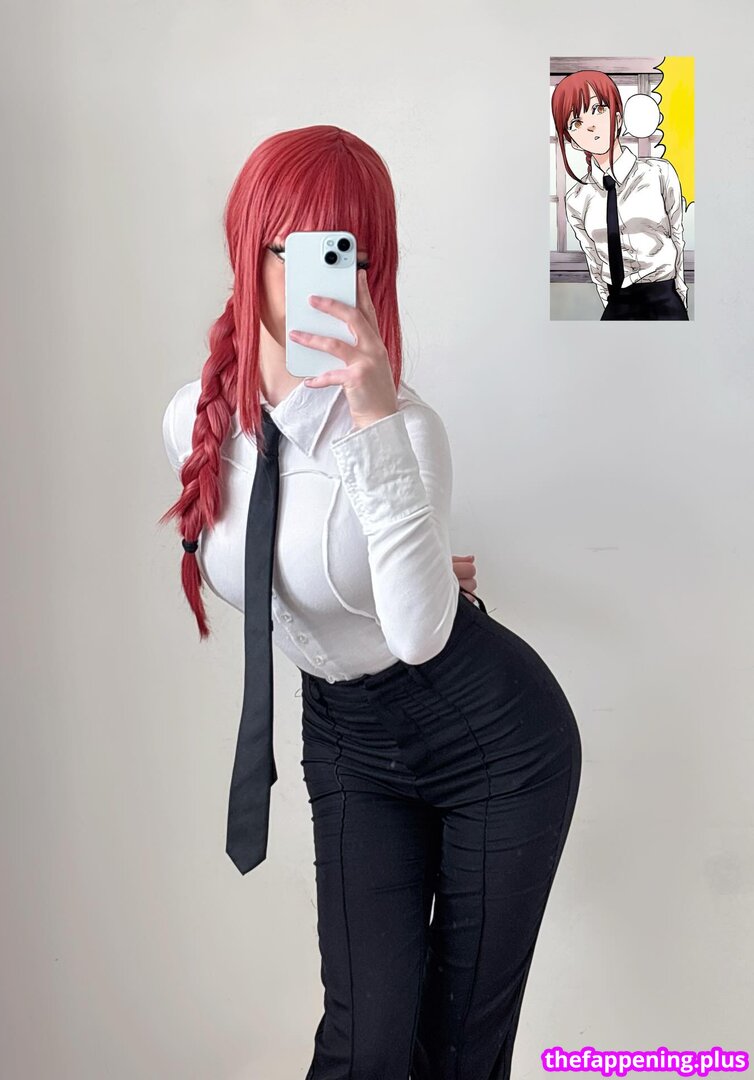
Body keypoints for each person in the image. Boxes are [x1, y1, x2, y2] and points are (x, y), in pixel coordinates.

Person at [159, 124, 582, 1079]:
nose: (325, 279)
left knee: (458, 1049)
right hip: (348, 734)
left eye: (346, 252)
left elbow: (423, 633)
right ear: (248, 245)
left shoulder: (405, 430)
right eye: (298, 249)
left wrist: (377, 425)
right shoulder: (193, 420)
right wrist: (378, 576)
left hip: (496, 743)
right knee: (365, 1041)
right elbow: (268, 566)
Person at [552, 69, 690, 320]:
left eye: (598, 109)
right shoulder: (576, 200)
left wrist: (680, 292)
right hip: (617, 303)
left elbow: (678, 237)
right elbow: (594, 262)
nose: (591, 125)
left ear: (617, 116)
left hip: (664, 298)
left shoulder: (659, 173)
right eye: (576, 123)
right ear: (572, 141)